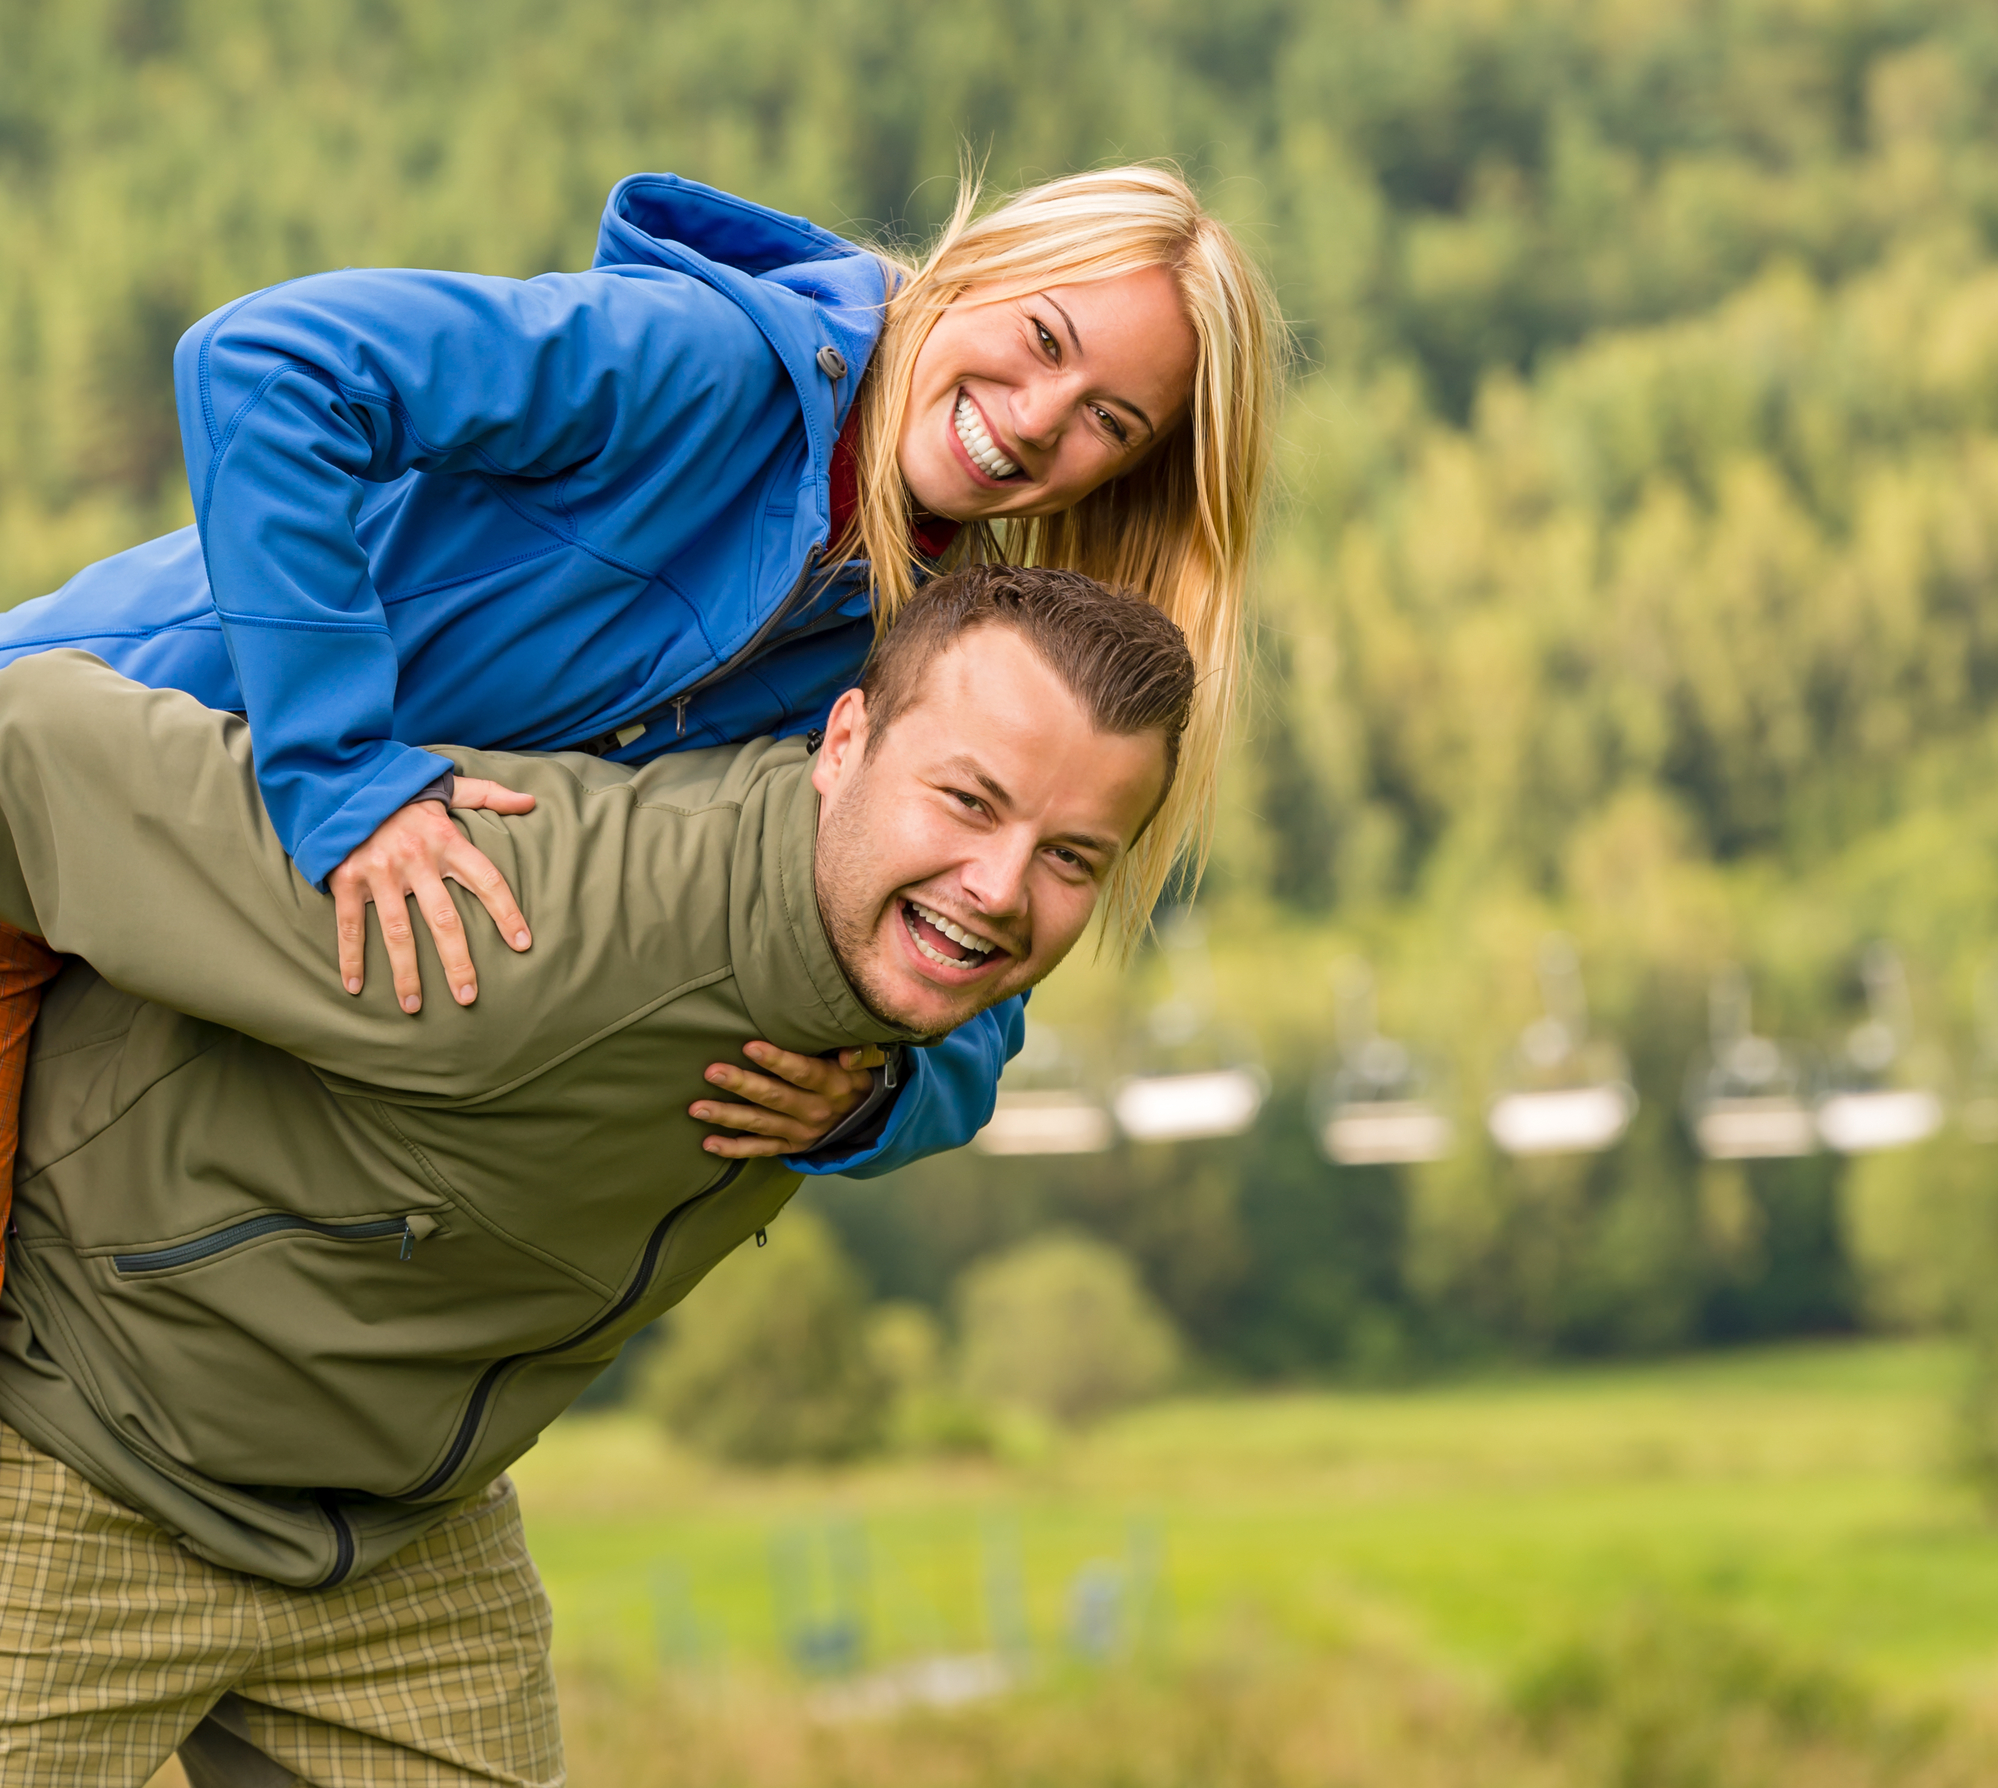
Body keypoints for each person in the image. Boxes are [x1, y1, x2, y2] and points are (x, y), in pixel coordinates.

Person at [0, 565, 1194, 1785]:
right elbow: (24, 744)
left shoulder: (878, 999)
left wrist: (884, 1094)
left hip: (403, 1536)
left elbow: (972, 1043)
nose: (997, 888)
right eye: (967, 800)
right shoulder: (520, 912)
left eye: (1069, 858)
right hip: (81, 1447)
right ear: (842, 741)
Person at [0, 164, 1281, 1268]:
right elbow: (265, 365)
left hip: (190, 936)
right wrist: (346, 775)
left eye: (1108, 420)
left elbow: (980, 950)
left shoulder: (926, 630)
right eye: (1045, 338)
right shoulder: (700, 362)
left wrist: (880, 1086)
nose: (1038, 418)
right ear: (977, 266)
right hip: (57, 805)